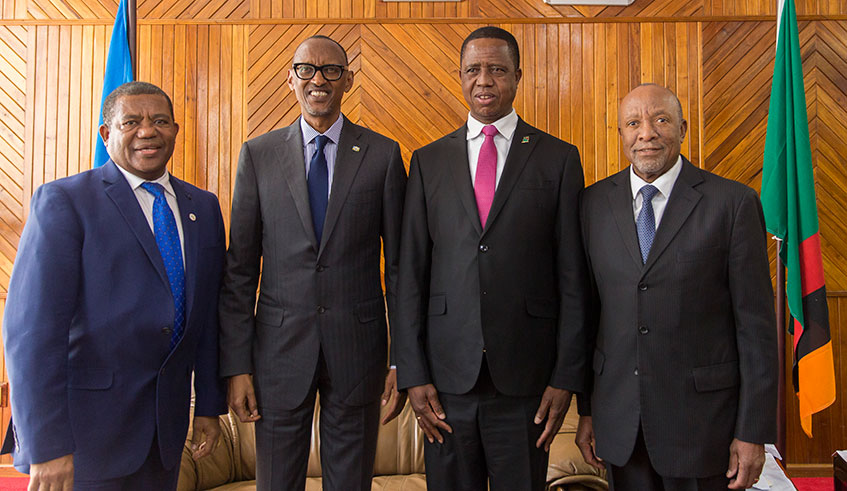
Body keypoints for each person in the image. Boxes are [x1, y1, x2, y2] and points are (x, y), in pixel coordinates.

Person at [1, 81, 227, 490]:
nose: (147, 131)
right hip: (85, 437)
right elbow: (33, 334)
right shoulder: (66, 202)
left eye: (160, 121)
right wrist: (47, 444)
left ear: (175, 130)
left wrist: (209, 406)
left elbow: (207, 317)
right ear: (106, 135)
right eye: (132, 122)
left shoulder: (203, 208)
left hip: (166, 434)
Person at [393, 26, 588, 491]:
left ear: (518, 76)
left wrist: (565, 378)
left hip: (526, 382)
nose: (485, 80)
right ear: (459, 78)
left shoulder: (557, 159)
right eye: (473, 70)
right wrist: (412, 372)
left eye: (497, 69)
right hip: (445, 383)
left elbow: (574, 280)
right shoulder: (428, 161)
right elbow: (409, 275)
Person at [218, 35, 407, 491]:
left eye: (331, 70)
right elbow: (241, 270)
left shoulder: (382, 155)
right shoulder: (258, 155)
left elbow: (401, 268)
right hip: (278, 353)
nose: (318, 80)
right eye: (306, 69)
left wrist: (402, 359)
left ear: (348, 80)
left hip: (358, 349)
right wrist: (237, 366)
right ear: (290, 79)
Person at [575, 84, 777, 491]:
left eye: (660, 120)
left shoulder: (732, 204)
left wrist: (753, 432)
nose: (646, 133)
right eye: (633, 123)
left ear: (683, 128)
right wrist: (587, 411)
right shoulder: (592, 204)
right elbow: (587, 316)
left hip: (703, 428)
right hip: (621, 426)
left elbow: (755, 329)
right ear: (621, 134)